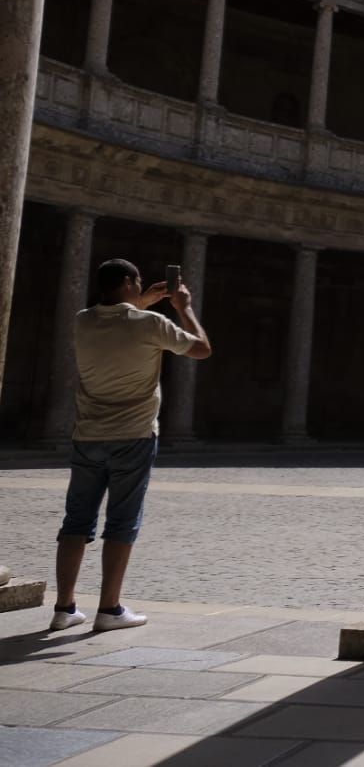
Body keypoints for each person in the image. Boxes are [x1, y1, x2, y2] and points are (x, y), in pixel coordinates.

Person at [51, 258, 212, 632]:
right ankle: (109, 609)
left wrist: (144, 301)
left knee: (76, 521)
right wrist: (183, 309)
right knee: (122, 523)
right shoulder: (151, 324)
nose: (141, 287)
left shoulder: (82, 321)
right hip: (134, 436)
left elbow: (115, 318)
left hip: (87, 436)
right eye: (137, 282)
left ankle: (64, 608)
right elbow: (202, 348)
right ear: (127, 282)